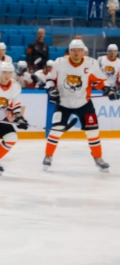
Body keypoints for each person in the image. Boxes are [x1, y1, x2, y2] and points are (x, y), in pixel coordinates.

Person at [43, 38, 116, 171]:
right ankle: (48, 156)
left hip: (84, 103)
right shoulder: (59, 63)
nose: (76, 53)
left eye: (79, 50)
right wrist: (51, 89)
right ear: (69, 52)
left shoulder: (91, 63)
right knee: (55, 132)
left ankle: (98, 158)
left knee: (93, 132)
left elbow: (100, 81)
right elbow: (50, 79)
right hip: (63, 103)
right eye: (73, 51)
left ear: (83, 52)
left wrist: (107, 89)